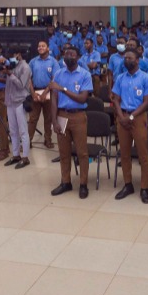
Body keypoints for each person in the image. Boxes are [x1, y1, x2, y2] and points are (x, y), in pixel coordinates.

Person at [111, 49, 148, 203]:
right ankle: (128, 184)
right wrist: (121, 117)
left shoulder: (146, 78)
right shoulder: (120, 78)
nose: (127, 60)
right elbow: (116, 99)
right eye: (125, 58)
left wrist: (131, 116)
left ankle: (144, 188)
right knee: (124, 153)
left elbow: (147, 102)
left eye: (130, 58)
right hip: (122, 117)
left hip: (138, 118)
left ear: (137, 60)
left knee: (143, 154)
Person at [49, 46, 93, 198]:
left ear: (78, 57)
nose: (68, 56)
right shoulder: (58, 73)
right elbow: (54, 99)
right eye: (66, 54)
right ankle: (65, 182)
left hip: (78, 116)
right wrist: (54, 120)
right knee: (63, 152)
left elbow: (82, 98)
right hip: (62, 115)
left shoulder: (85, 75)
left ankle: (83, 184)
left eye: (72, 54)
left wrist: (63, 89)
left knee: (82, 152)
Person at [1, 47, 32, 169]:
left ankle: (25, 157)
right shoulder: (12, 66)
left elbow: (21, 85)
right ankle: (15, 155)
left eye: (13, 55)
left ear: (19, 54)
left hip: (20, 101)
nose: (11, 58)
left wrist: (10, 74)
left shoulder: (25, 67)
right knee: (13, 130)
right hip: (10, 101)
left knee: (23, 130)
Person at [28, 41, 60, 149]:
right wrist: (33, 94)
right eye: (39, 46)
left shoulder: (53, 62)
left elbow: (54, 80)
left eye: (43, 46)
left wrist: (45, 93)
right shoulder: (33, 61)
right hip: (35, 93)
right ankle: (28, 141)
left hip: (49, 92)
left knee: (48, 118)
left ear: (48, 48)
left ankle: (48, 140)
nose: (41, 48)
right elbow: (28, 79)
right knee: (33, 118)